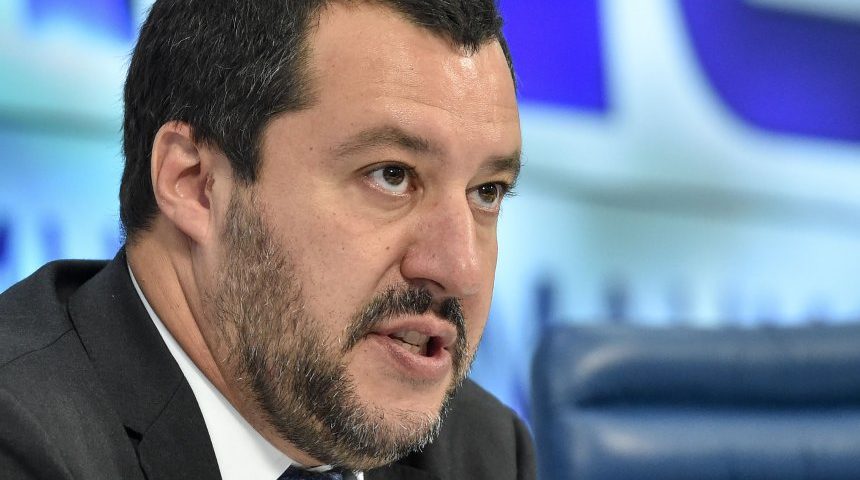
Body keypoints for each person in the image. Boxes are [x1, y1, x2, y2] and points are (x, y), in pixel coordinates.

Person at [0, 0, 532, 478]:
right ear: (196, 185)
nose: (461, 269)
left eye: (487, 191)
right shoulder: (22, 437)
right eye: (391, 175)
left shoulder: (481, 451)